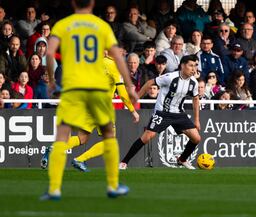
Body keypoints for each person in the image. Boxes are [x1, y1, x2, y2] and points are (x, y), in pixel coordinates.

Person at [40, 0, 138, 201]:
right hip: (97, 94)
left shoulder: (63, 25)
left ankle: (54, 189)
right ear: (93, 4)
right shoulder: (101, 27)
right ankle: (112, 186)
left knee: (68, 136)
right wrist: (130, 88)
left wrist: (51, 80)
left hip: (73, 90)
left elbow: (50, 53)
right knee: (110, 136)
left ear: (73, 3)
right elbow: (120, 61)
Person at [119, 54, 201, 170]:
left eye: (195, 66)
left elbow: (196, 99)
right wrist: (136, 98)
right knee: (147, 137)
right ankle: (124, 162)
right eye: (191, 65)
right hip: (162, 112)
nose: (194, 69)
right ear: (182, 66)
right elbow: (149, 83)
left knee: (196, 138)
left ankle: (182, 159)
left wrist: (196, 120)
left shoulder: (194, 83)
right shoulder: (170, 77)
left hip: (178, 113)